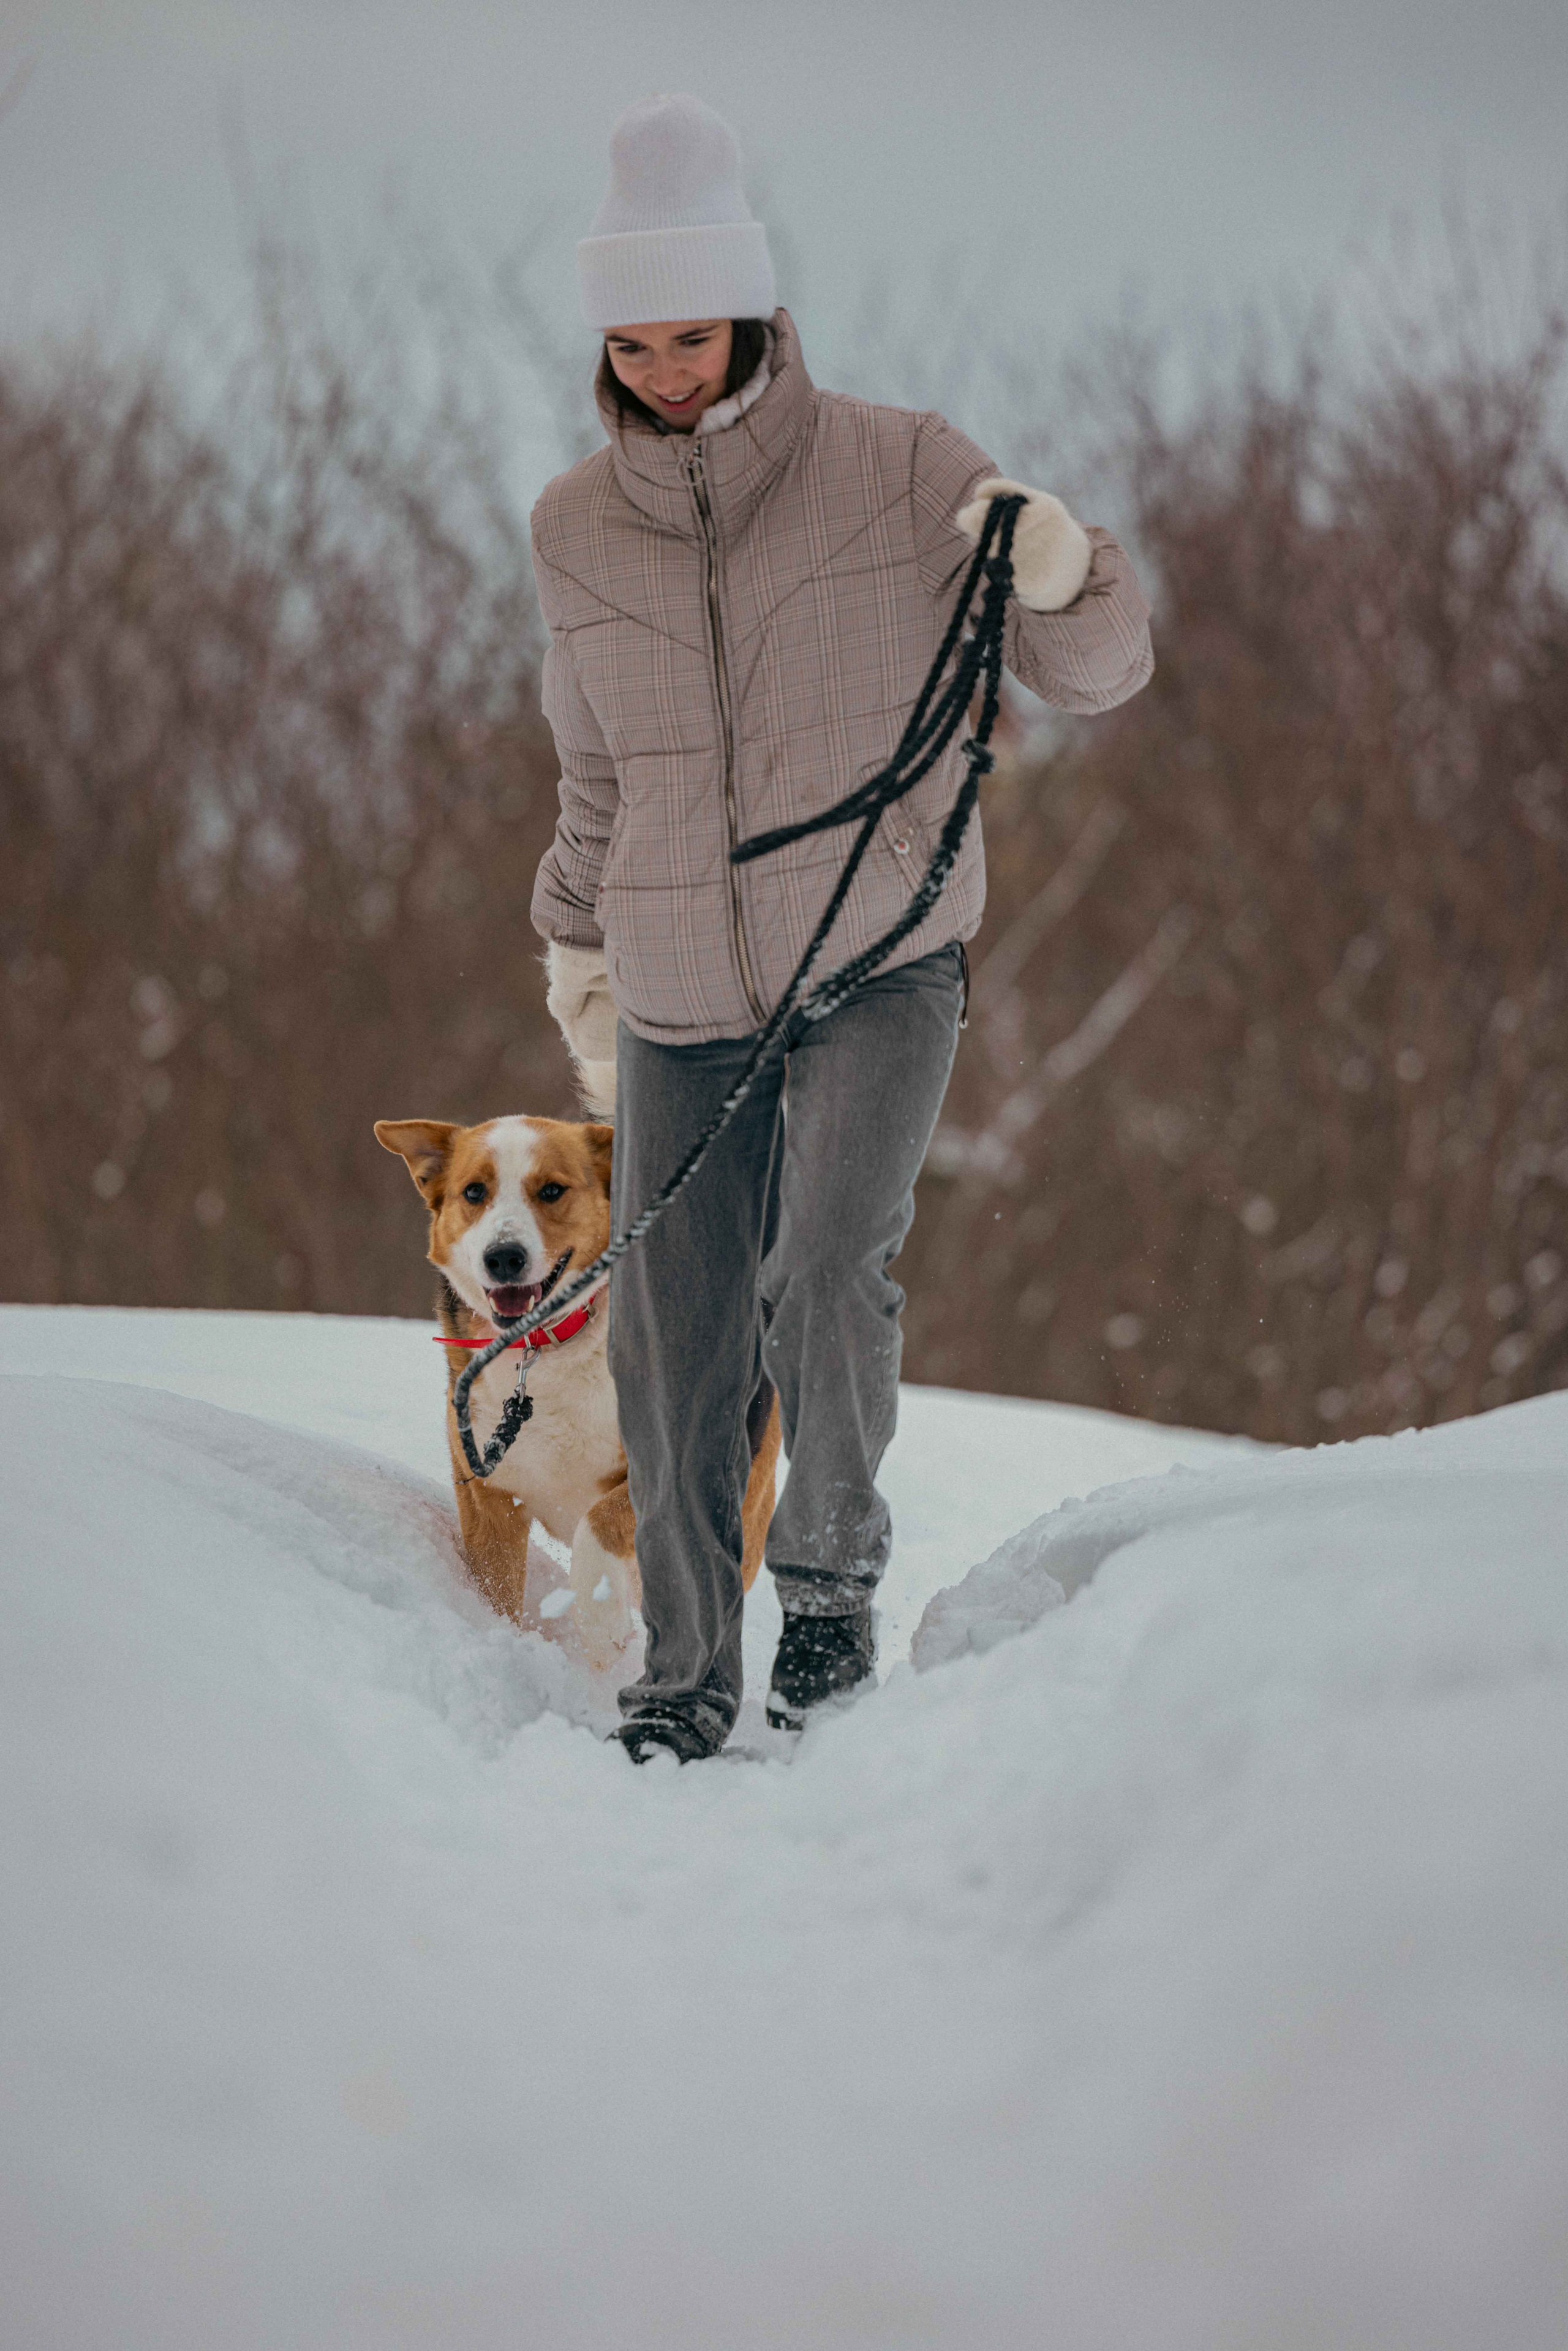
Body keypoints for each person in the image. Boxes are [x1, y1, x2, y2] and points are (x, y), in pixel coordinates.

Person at [532, 94, 1153, 1762]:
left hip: (883, 956)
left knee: (824, 1268)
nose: (669, 368)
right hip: (675, 980)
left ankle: (825, 1589)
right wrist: (576, 943)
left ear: (751, 312)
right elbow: (595, 770)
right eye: (638, 339)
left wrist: (1073, 573)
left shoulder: (906, 467)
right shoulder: (575, 529)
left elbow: (1093, 677)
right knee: (675, 1323)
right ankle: (679, 1673)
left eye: (696, 331)